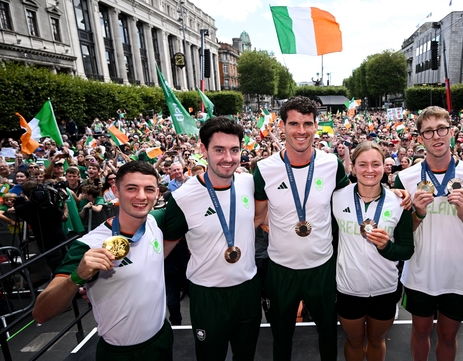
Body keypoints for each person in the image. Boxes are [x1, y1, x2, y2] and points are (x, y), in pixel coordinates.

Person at [32, 161, 173, 361]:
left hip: (162, 336)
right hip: (121, 353)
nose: (141, 196)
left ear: (157, 193)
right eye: (131, 188)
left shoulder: (153, 221)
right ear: (115, 190)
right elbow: (40, 313)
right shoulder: (88, 245)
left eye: (148, 189)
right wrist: (77, 278)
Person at [254, 96, 351, 361]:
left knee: (328, 334)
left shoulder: (331, 164)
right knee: (281, 337)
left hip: (321, 266)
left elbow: (351, 202)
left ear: (316, 126)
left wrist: (394, 194)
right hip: (281, 268)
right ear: (282, 126)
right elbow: (257, 215)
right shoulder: (264, 168)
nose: (301, 131)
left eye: (307, 124)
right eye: (294, 123)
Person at [158, 117, 261, 360]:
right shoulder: (183, 198)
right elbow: (164, 248)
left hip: (247, 289)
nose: (228, 158)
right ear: (203, 150)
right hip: (208, 294)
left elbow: (260, 217)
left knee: (246, 356)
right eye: (219, 150)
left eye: (234, 150)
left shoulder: (248, 183)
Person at [394, 105, 463, 361]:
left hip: (457, 274)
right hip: (419, 272)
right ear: (419, 138)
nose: (436, 136)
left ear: (452, 131)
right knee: (419, 332)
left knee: (449, 337)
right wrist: (417, 213)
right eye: (428, 132)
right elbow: (401, 235)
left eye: (441, 129)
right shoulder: (404, 178)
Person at [333, 141, 414, 361]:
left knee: (377, 341)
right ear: (353, 167)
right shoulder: (336, 197)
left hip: (385, 289)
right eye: (363, 164)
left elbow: (407, 250)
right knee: (354, 341)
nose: (370, 170)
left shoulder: (399, 201)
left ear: (385, 166)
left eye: (376, 164)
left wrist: (386, 247)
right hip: (349, 288)